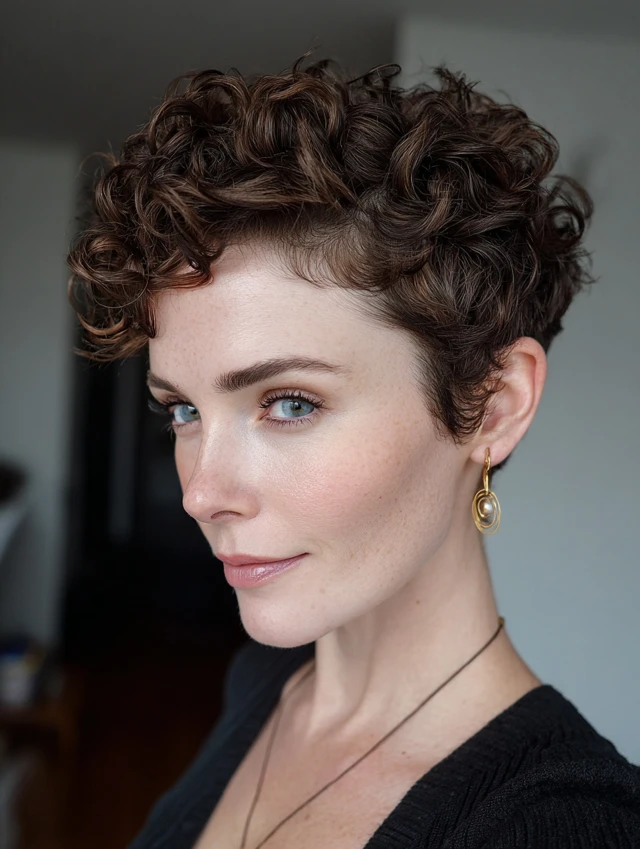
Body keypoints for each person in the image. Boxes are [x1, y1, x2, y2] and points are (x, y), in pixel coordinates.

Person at [67, 55, 640, 848]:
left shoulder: (565, 828)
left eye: (290, 403)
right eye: (184, 410)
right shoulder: (266, 683)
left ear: (495, 404)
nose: (201, 493)